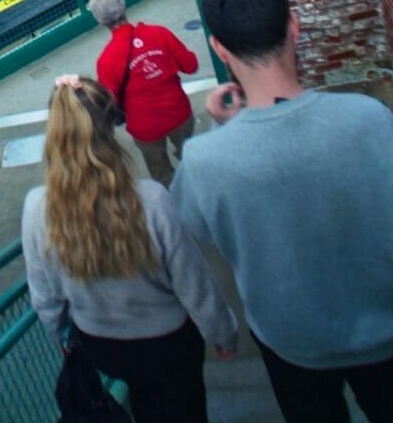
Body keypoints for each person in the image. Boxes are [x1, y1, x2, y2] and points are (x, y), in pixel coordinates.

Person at [170, 0, 393, 423]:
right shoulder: (371, 118)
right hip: (384, 331)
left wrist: (222, 129)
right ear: (294, 24)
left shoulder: (204, 159)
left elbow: (191, 222)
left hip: (290, 343)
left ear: (220, 49)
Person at [22, 74, 237, 423]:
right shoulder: (151, 200)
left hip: (99, 344)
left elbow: (44, 293)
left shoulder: (36, 208)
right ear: (111, 129)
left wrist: (61, 334)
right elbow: (193, 283)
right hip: (167, 345)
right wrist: (222, 333)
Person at [87, 0, 199, 185]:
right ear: (124, 7)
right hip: (179, 113)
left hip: (145, 128)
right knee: (192, 161)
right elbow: (191, 66)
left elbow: (109, 103)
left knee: (162, 175)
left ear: (100, 21)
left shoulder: (106, 61)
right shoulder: (160, 34)